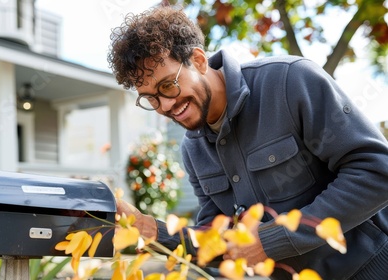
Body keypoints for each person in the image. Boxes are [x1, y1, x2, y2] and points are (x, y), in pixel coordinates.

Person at [107, 5, 388, 280]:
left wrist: (274, 240)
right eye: (151, 98)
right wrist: (154, 231)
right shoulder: (193, 149)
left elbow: (377, 172)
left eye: (168, 85)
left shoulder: (290, 81)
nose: (165, 105)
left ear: (199, 60)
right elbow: (220, 241)